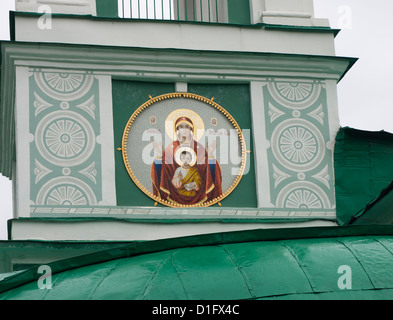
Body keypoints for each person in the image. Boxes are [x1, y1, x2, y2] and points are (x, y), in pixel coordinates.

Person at [151, 115, 222, 206]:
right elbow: (163, 170)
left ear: (191, 130)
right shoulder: (170, 148)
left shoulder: (199, 148)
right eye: (181, 127)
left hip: (197, 192)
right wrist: (160, 155)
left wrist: (211, 155)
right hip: (174, 193)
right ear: (177, 130)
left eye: (187, 127)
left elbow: (206, 170)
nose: (184, 130)